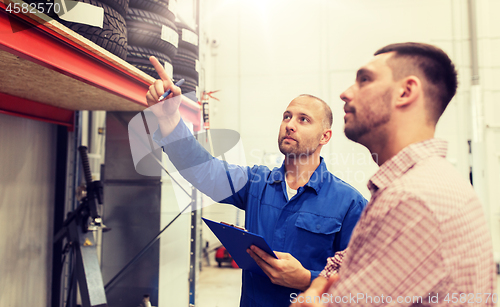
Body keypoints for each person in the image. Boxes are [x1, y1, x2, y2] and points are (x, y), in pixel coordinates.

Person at [146, 57, 367, 307]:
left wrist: (307, 279)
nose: (290, 125)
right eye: (286, 116)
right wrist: (169, 120)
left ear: (324, 136)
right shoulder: (257, 183)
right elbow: (204, 171)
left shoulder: (350, 203)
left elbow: (363, 280)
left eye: (303, 119)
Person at [291, 42, 497, 307]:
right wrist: (320, 282)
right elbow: (352, 257)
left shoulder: (414, 200)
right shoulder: (417, 183)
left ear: (406, 92)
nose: (345, 93)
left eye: (364, 80)